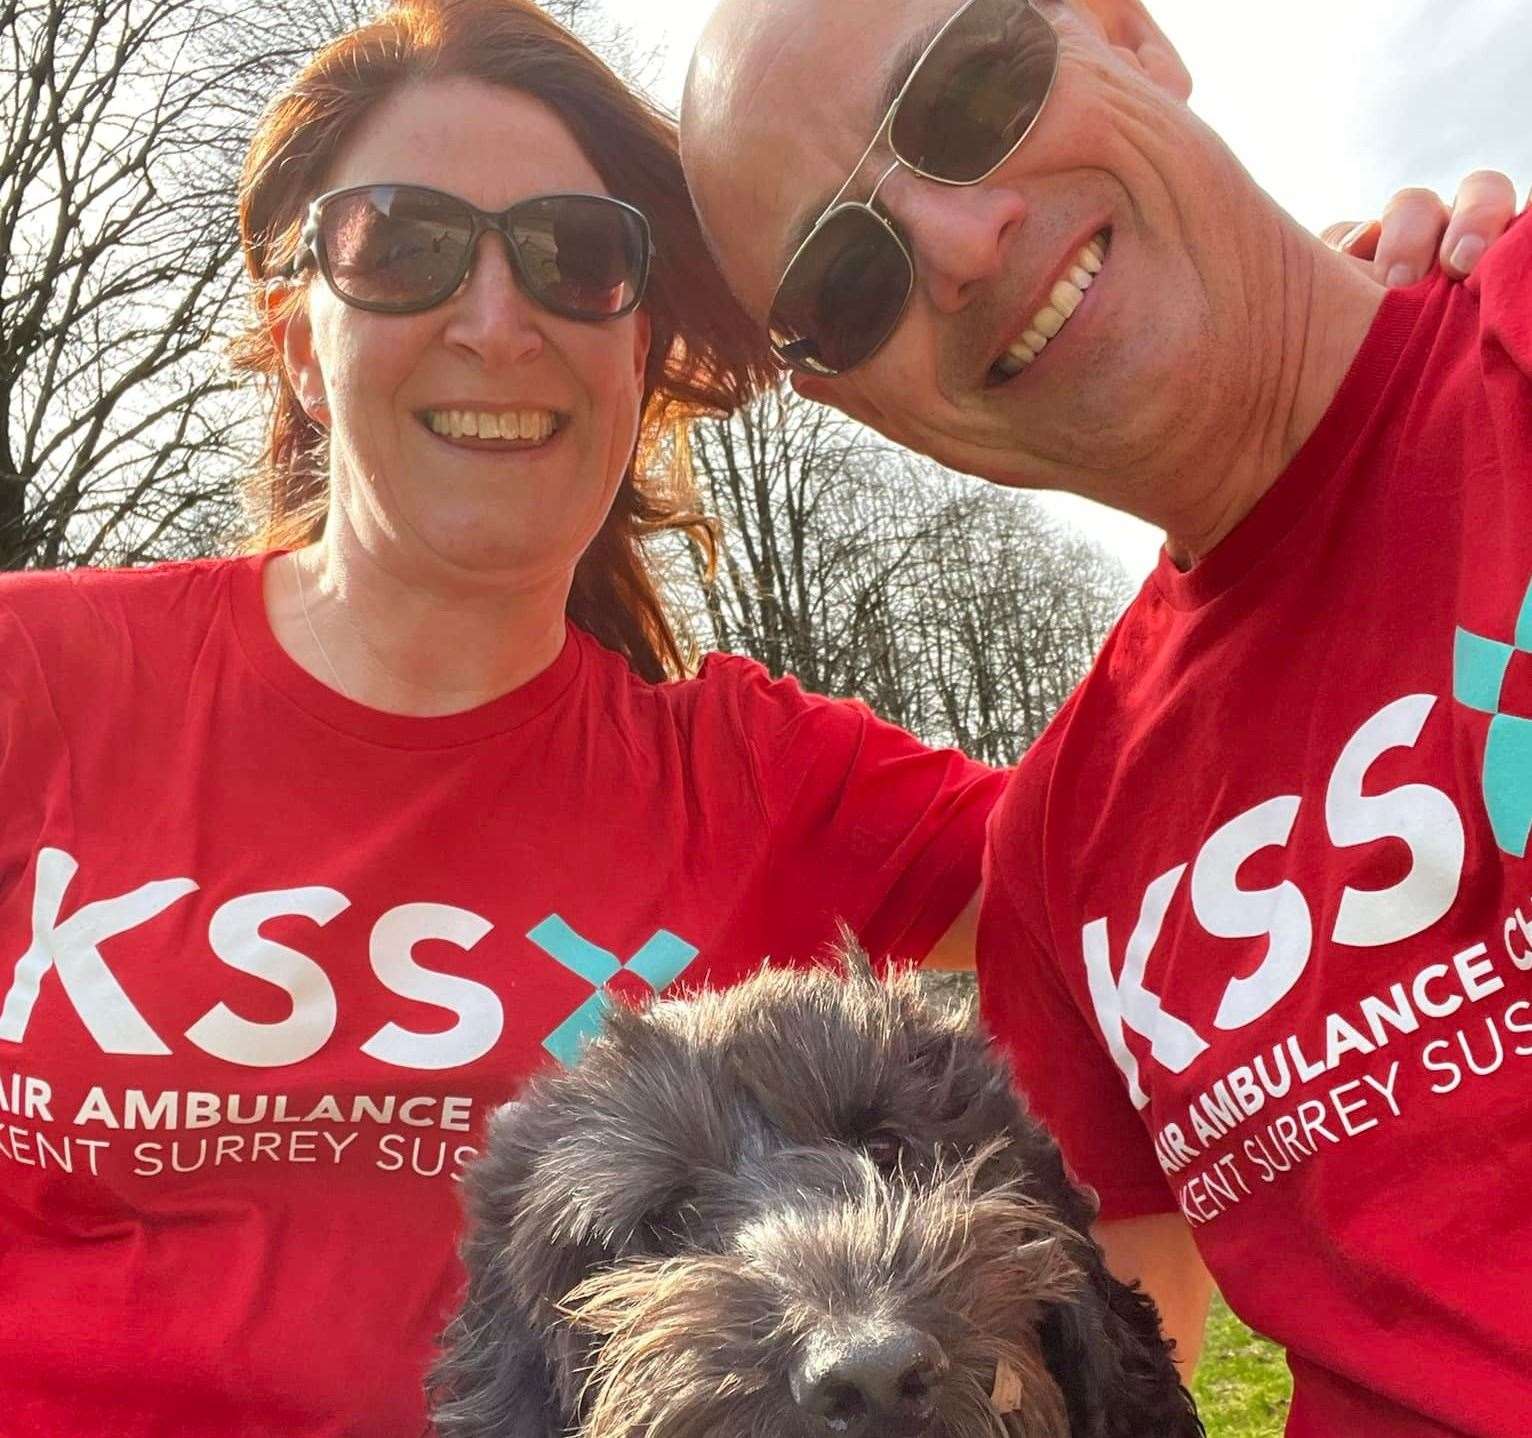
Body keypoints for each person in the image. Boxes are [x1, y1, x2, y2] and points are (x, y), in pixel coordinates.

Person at [0, 0, 1497, 1433]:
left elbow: (1169, 881)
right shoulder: (36, 682)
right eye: (405, 247)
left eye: (577, 258)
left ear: (641, 351)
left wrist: (1350, 379)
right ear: (292, 341)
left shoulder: (777, 777)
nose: (495, 317)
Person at [678, 1, 1530, 1434]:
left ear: (1132, 38)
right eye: (846, 282)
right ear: (858, 404)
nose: (956, 246)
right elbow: (1100, 1377)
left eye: (971, 92)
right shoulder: (1063, 851)